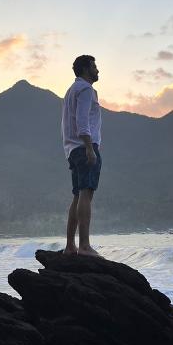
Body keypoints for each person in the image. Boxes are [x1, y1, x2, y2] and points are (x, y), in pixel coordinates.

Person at [61, 55, 102, 256]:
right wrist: (89, 147)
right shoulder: (86, 89)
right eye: (94, 66)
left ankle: (70, 246)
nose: (98, 70)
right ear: (86, 69)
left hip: (71, 149)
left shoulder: (71, 90)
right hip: (84, 146)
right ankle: (84, 246)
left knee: (78, 195)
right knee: (86, 193)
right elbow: (82, 121)